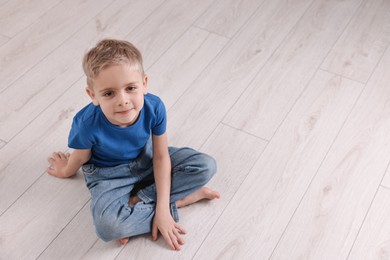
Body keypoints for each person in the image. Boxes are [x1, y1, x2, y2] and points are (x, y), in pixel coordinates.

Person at [47, 39, 220, 251]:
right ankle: (182, 200)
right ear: (93, 95)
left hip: (146, 158)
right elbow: (81, 157)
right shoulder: (86, 124)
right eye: (109, 93)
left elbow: (161, 156)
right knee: (108, 227)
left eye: (130, 88)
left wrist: (162, 209)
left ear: (144, 83)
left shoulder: (154, 106)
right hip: (108, 174)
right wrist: (66, 170)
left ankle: (143, 201)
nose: (123, 100)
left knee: (205, 165)